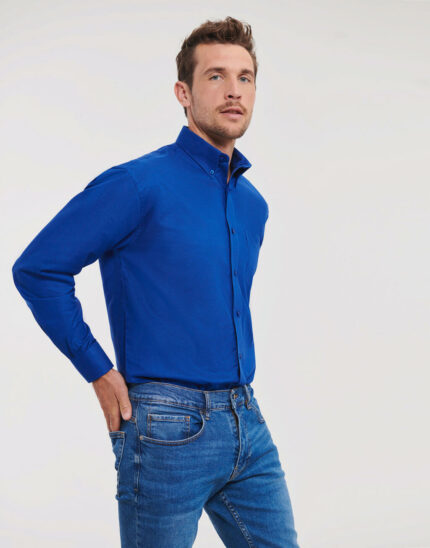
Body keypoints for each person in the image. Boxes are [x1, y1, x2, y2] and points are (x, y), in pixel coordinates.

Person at [12, 15, 300, 548]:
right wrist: (98, 370)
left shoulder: (252, 205)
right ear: (183, 93)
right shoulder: (137, 184)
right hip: (166, 426)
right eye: (216, 76)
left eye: (245, 77)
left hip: (247, 419)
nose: (234, 90)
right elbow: (38, 268)